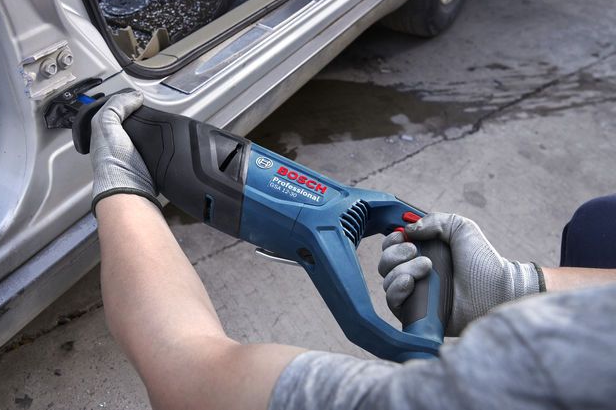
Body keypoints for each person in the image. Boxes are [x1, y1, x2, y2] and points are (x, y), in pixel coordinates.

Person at [89, 91, 616, 410]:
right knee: (601, 223)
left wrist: (122, 189)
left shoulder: (505, 388)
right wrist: (514, 287)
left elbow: (188, 379)